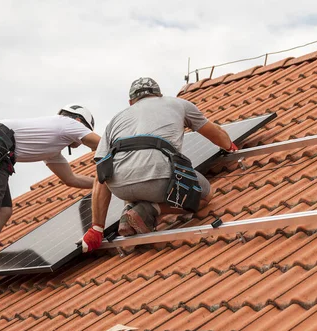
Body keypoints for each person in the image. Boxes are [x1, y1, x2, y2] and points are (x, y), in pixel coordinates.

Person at [0, 105, 101, 301]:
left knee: (4, 210)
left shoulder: (53, 145)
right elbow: (102, 144)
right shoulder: (70, 124)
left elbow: (70, 179)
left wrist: (102, 186)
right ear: (81, 121)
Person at [81, 77, 237, 253]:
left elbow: (100, 173)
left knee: (126, 173)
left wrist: (97, 228)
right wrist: (229, 146)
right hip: (158, 179)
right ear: (159, 94)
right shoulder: (179, 104)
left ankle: (131, 210)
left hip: (120, 187)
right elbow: (214, 133)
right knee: (204, 195)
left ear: (131, 102)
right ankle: (149, 209)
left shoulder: (115, 120)